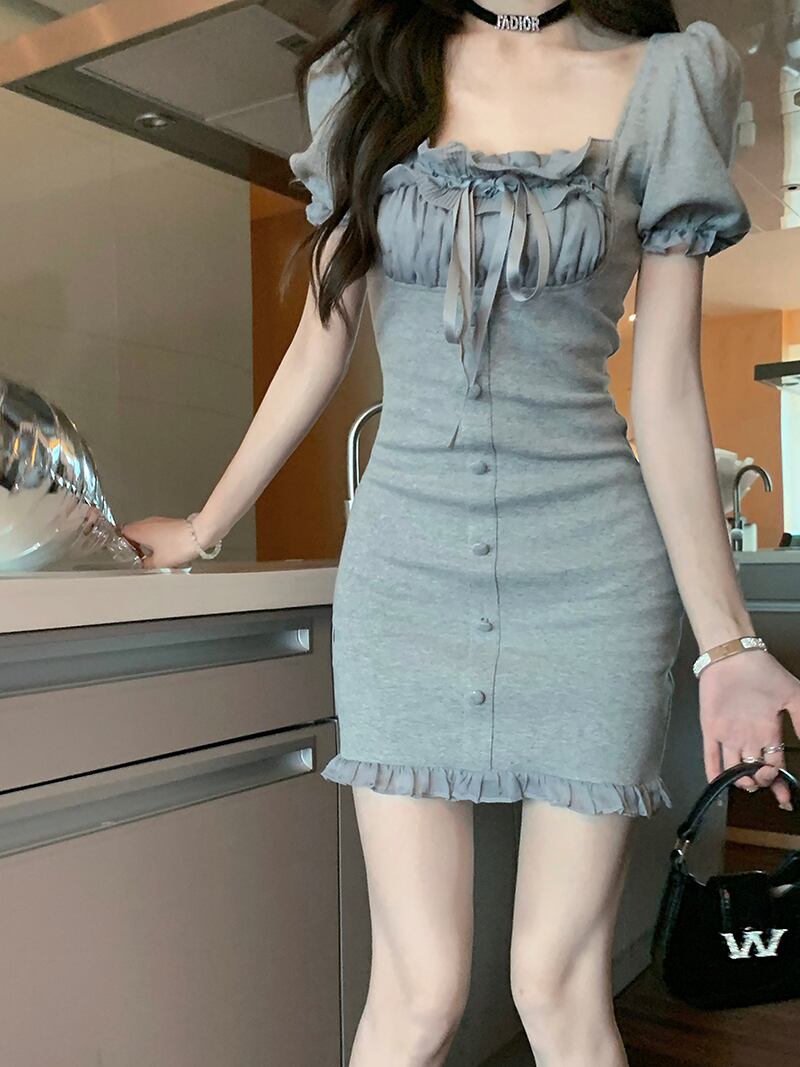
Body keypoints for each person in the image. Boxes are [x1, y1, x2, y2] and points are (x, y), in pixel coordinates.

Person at [122, 2, 800, 1064]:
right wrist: (206, 523)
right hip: (406, 573)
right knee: (419, 992)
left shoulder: (671, 80)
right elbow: (322, 335)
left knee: (557, 988)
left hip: (593, 576)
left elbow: (666, 391)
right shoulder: (364, 76)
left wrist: (730, 643)